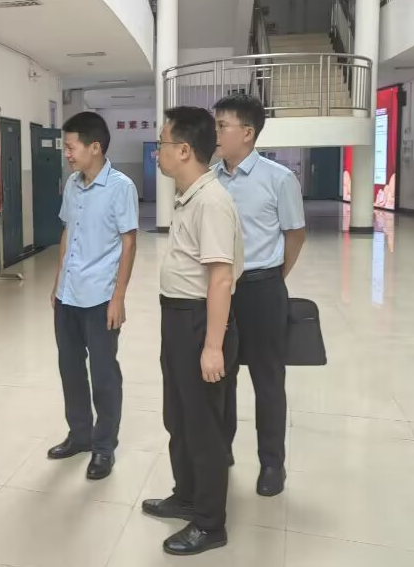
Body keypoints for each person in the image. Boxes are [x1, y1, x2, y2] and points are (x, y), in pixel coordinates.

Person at [141, 106, 243, 556]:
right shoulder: (190, 196)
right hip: (179, 319)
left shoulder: (211, 201)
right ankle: (186, 495)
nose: (157, 152)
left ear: (183, 150)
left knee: (203, 426)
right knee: (179, 417)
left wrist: (213, 346)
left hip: (201, 321)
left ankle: (209, 523)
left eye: (162, 143)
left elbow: (220, 278)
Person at [213, 94, 306, 496]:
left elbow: (295, 234)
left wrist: (272, 276)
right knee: (220, 376)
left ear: (247, 133)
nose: (216, 134)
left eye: (222, 126)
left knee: (268, 380)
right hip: (221, 290)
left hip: (263, 289)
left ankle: (272, 464)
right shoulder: (210, 179)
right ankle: (221, 451)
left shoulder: (278, 178)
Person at [48, 111, 138, 480]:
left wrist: (119, 297)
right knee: (70, 369)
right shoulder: (73, 184)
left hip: (101, 296)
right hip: (68, 295)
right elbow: (67, 231)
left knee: (103, 375)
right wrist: (58, 281)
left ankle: (104, 447)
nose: (67, 154)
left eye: (71, 147)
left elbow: (129, 242)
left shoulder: (120, 187)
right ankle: (80, 435)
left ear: (95, 147)